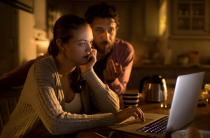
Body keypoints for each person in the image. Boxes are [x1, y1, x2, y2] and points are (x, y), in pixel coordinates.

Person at [0, 14, 144, 138]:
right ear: (61, 45)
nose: (90, 50)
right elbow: (55, 123)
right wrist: (113, 118)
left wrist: (89, 73)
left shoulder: (80, 70)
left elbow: (113, 107)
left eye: (90, 42)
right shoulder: (42, 69)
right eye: (82, 44)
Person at [0, 2, 134, 97]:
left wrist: (112, 81)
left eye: (111, 30)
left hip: (101, 108)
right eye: (99, 30)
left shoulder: (124, 50)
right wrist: (4, 82)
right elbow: (40, 63)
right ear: (89, 30)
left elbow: (119, 92)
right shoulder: (74, 50)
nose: (106, 36)